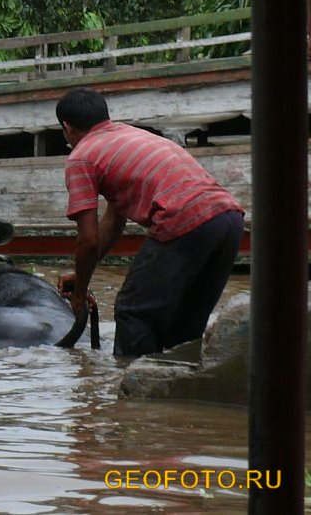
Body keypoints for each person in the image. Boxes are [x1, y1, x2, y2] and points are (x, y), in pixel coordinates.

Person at [55, 87, 245, 357]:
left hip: (184, 218)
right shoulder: (130, 135)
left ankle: (131, 395)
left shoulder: (82, 157)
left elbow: (89, 238)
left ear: (67, 128)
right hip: (229, 221)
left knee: (133, 312)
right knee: (184, 324)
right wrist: (83, 273)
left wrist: (79, 293)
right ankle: (173, 393)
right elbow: (113, 220)